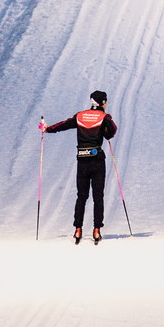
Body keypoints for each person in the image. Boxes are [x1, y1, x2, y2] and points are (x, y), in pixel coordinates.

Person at [45, 89, 118, 244]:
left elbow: (63, 125)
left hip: (82, 161)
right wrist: (104, 132)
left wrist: (47, 128)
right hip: (97, 160)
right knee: (98, 197)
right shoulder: (105, 117)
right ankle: (97, 230)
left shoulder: (80, 116)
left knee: (81, 196)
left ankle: (78, 229)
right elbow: (112, 132)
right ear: (103, 102)